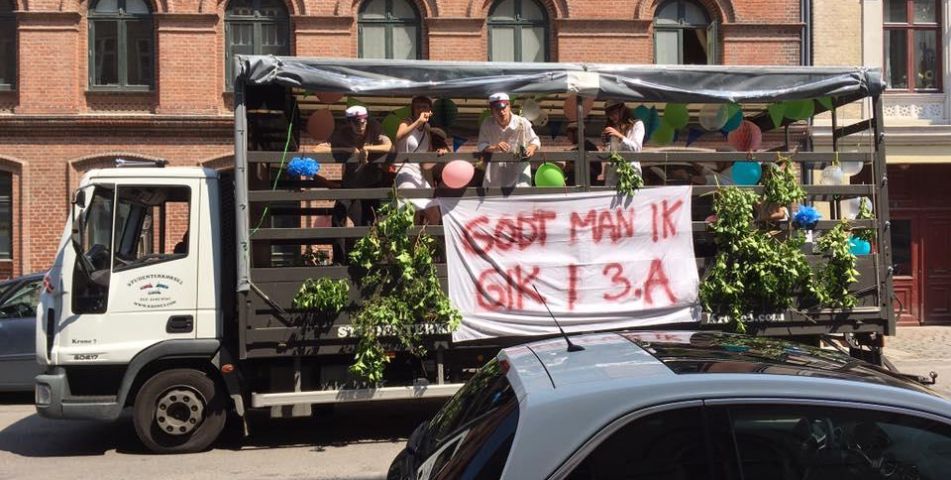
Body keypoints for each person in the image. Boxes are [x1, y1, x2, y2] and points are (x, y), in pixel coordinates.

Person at [316, 105, 393, 263]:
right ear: (349, 123)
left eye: (363, 121)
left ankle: (368, 260)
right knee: (338, 216)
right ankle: (339, 260)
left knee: (368, 222)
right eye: (356, 122)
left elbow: (388, 146)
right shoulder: (342, 133)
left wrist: (367, 148)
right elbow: (318, 149)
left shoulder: (374, 127)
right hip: (350, 184)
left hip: (371, 183)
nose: (361, 126)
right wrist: (349, 149)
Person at [394, 96, 448, 224]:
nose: (421, 110)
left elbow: (426, 164)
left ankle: (428, 237)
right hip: (405, 173)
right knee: (411, 216)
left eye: (425, 107)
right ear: (413, 109)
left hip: (419, 175)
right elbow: (399, 136)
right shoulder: (406, 122)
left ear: (430, 110)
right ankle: (411, 237)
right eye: (418, 107)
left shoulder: (427, 130)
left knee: (434, 214)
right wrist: (418, 122)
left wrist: (437, 156)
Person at [477, 92, 541, 188]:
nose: (501, 112)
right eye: (497, 109)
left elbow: (535, 140)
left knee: (521, 195)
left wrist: (531, 148)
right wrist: (495, 147)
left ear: (509, 106)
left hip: (519, 176)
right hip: (495, 176)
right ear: (492, 110)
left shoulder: (522, 122)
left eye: (503, 108)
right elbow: (481, 145)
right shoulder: (487, 123)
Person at [601, 100, 645, 187]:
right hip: (613, 174)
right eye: (609, 115)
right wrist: (606, 143)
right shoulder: (612, 126)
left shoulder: (637, 124)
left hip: (631, 172)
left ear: (622, 109)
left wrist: (620, 136)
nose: (612, 117)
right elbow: (609, 154)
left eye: (614, 113)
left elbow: (636, 149)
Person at [564, 121, 602, 186]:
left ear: (577, 133)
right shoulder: (575, 150)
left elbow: (597, 170)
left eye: (569, 135)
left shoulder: (590, 148)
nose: (568, 138)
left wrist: (573, 167)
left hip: (585, 187)